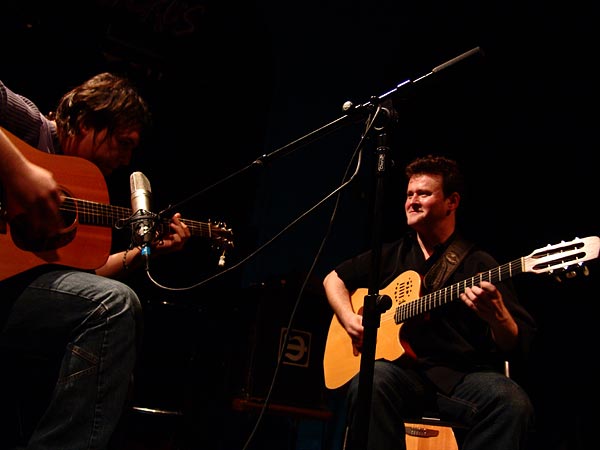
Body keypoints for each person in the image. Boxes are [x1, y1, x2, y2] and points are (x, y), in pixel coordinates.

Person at [0, 72, 191, 449]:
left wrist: (142, 252)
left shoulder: (84, 189)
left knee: (114, 319)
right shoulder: (28, 125)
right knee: (115, 305)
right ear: (87, 123)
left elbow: (82, 287)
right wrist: (17, 170)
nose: (125, 160)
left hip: (13, 294)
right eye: (122, 144)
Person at [323, 154, 537, 450]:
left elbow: (515, 342)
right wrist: (349, 318)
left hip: (461, 378)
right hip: (402, 376)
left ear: (452, 202)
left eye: (423, 193)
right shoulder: (392, 254)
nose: (412, 201)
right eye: (409, 194)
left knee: (511, 402)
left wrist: (499, 317)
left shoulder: (480, 264)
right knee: (370, 381)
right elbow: (333, 278)